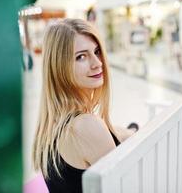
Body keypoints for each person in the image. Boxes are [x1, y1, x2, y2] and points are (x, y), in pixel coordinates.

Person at [32, 18, 137, 193]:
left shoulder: (52, 124)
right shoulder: (84, 126)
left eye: (97, 52)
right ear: (59, 67)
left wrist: (131, 132)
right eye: (81, 57)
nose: (97, 63)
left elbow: (113, 133)